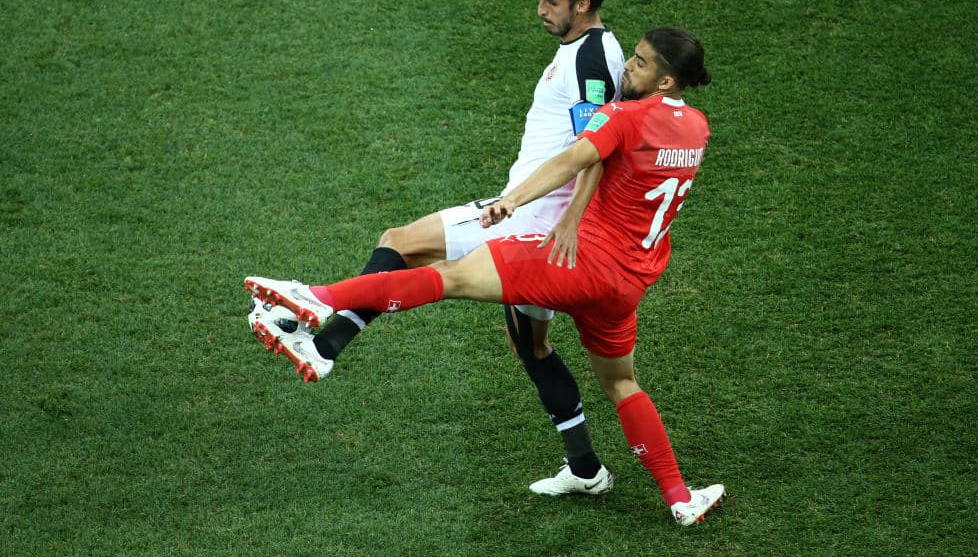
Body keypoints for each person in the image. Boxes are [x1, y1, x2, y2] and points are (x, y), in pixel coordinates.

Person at [246, 27, 726, 526]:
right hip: (628, 286)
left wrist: (512, 200)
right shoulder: (697, 128)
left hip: (578, 263)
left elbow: (573, 159)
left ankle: (317, 299)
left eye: (642, 63)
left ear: (666, 80)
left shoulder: (625, 116)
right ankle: (678, 497)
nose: (627, 65)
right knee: (622, 383)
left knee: (449, 276)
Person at [249, 0, 625, 498]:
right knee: (530, 346)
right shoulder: (586, 49)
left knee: (400, 244)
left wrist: (564, 218)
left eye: (552, 1)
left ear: (583, 5)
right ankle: (587, 470)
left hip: (529, 215)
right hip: (530, 210)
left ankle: (322, 343)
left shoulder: (592, 59)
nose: (540, 9)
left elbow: (595, 150)